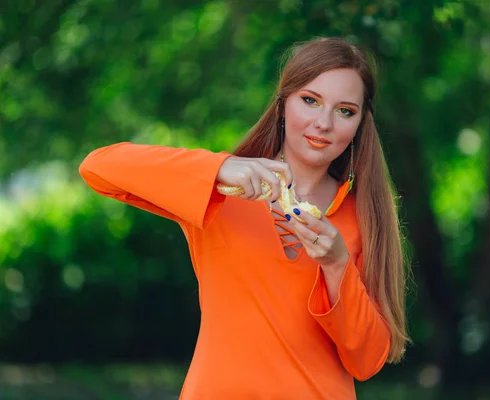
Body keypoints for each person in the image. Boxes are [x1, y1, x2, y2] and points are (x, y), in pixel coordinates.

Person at [79, 37, 409, 399]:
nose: (323, 122)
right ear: (283, 103)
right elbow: (97, 168)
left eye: (345, 110)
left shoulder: (365, 217)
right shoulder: (219, 191)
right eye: (310, 100)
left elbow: (367, 361)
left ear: (360, 123)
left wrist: (336, 266)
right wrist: (219, 168)